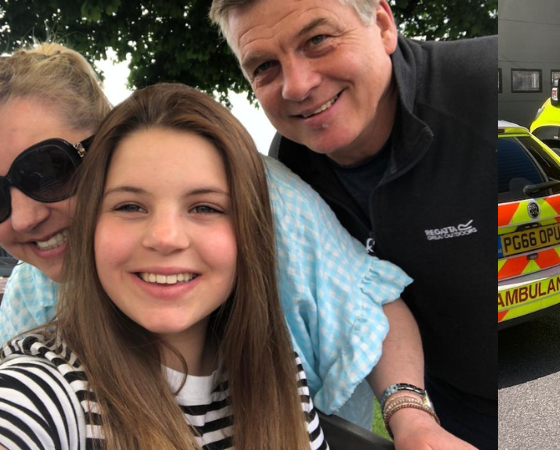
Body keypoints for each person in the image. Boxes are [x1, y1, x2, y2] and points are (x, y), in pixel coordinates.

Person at [0, 43, 447, 443]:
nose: (26, 217)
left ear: (105, 145)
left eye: (48, 170)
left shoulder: (266, 206)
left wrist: (412, 419)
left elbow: (371, 299)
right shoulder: (33, 301)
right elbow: (9, 406)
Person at [0, 82, 327, 449]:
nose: (165, 237)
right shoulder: (47, 388)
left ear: (250, 230)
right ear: (92, 222)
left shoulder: (276, 370)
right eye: (129, 206)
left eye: (205, 207)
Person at [209, 0, 495, 447]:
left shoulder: (482, 84)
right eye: (264, 66)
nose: (298, 86)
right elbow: (363, 295)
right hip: (450, 412)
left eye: (318, 40)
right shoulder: (289, 168)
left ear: (382, 24)